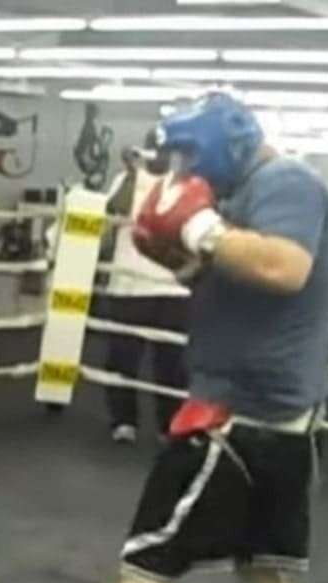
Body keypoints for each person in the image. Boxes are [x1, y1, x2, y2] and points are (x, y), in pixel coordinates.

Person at [88, 92, 328, 583]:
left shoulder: (286, 182)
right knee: (263, 571)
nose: (186, 172)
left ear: (223, 144)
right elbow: (239, 283)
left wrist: (199, 226)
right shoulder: (245, 194)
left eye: (188, 157)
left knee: (148, 562)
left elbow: (284, 268)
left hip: (238, 419)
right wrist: (179, 257)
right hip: (285, 422)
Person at [100, 134, 189, 445]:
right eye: (155, 149)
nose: (159, 156)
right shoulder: (126, 180)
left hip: (172, 288)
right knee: (123, 360)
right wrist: (134, 172)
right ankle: (124, 421)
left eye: (166, 150)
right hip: (129, 285)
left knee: (173, 365)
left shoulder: (184, 185)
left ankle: (170, 426)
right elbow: (112, 213)